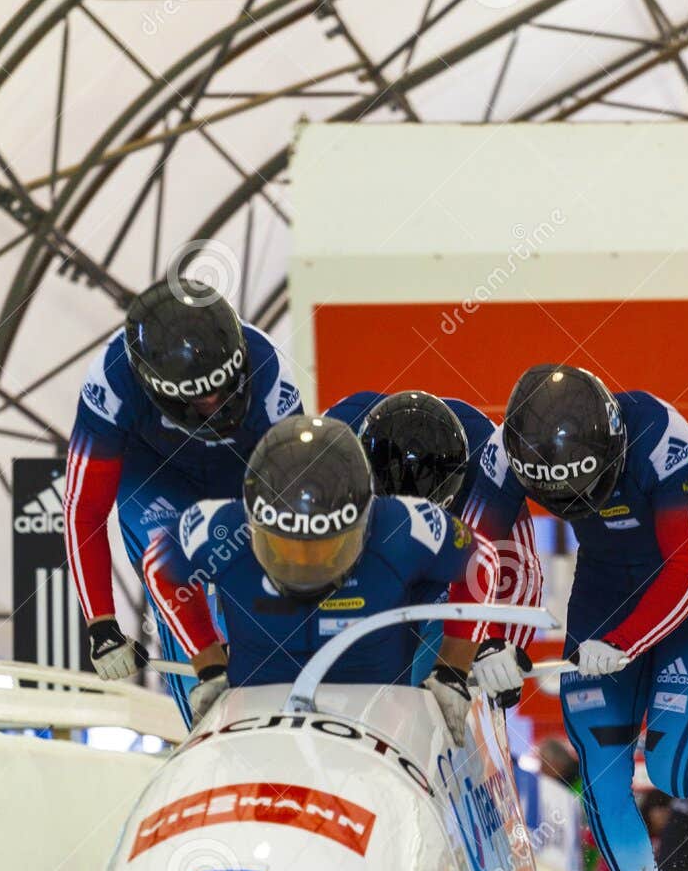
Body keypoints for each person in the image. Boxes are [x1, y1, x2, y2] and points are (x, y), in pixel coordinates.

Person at [502, 363, 688, 871]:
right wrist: (499, 642)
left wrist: (628, 642)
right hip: (601, 598)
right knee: (602, 774)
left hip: (687, 596)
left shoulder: (660, 433)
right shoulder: (512, 452)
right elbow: (499, 552)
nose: (577, 505)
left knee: (676, 772)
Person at [142, 413, 499, 739]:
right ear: (252, 524)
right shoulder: (218, 528)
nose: (305, 566)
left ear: (365, 521)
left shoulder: (406, 528)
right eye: (284, 549)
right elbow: (160, 568)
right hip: (255, 728)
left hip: (380, 730)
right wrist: (208, 665)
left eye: (327, 549)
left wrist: (452, 671)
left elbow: (480, 561)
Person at [64, 276, 301, 721]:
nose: (215, 402)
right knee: (171, 566)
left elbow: (296, 494)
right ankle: (205, 707)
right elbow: (85, 508)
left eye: (223, 388)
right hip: (154, 477)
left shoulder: (268, 369)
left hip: (244, 470)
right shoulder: (110, 385)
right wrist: (101, 624)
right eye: (200, 397)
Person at [328, 389, 543, 695]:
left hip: (444, 577)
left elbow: (514, 562)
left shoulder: (486, 460)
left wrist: (499, 643)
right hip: (364, 561)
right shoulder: (332, 447)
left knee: (424, 687)